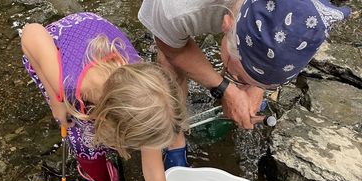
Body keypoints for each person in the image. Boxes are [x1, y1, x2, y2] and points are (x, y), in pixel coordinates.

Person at [21, 12, 187, 181]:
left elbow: (153, 169)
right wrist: (55, 97)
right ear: (112, 125)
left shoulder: (144, 94)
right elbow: (30, 33)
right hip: (56, 43)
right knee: (86, 147)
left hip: (98, 38)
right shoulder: (67, 82)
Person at [138, 0, 351, 167]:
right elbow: (171, 47)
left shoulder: (304, 13)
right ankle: (175, 138)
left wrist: (258, 86)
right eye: (238, 76)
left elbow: (275, 50)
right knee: (170, 57)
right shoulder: (175, 8)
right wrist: (223, 88)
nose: (239, 82)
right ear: (226, 24)